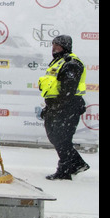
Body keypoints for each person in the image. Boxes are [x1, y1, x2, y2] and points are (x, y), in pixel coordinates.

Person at [37, 34, 89, 180]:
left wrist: (57, 107)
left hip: (68, 107)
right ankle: (76, 163)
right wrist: (50, 107)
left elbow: (68, 90)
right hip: (57, 106)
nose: (54, 48)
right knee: (56, 137)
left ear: (65, 46)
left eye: (58, 45)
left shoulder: (71, 63)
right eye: (53, 45)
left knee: (62, 138)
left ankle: (65, 171)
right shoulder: (58, 62)